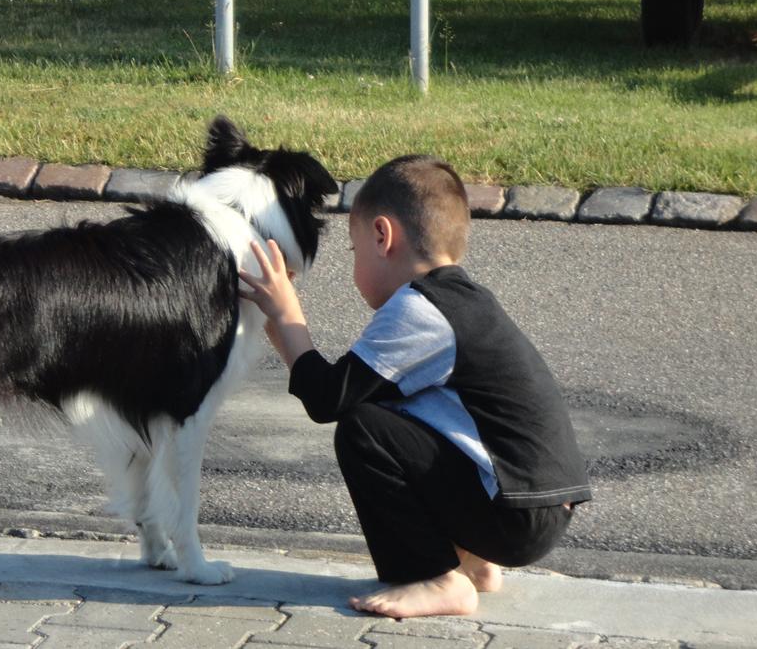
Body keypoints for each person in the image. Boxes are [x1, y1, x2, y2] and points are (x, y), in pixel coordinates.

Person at [238, 155, 592, 619]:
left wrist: (289, 317)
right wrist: (287, 339)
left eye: (354, 249)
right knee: (390, 413)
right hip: (536, 508)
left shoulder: (421, 310)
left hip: (515, 514)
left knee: (363, 429)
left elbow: (331, 401)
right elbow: (348, 388)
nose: (354, 263)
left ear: (383, 236)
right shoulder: (462, 302)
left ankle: (439, 580)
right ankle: (473, 563)